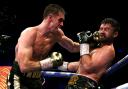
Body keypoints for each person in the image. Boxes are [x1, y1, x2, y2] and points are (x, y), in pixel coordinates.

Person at [7, 4, 80, 89]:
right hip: (19, 78)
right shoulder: (29, 33)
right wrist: (50, 63)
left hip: (36, 78)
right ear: (50, 17)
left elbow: (73, 47)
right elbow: (24, 66)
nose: (62, 24)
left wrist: (90, 44)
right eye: (60, 20)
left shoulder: (57, 34)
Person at [59, 18, 120, 89]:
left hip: (85, 85)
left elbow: (87, 66)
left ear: (115, 34)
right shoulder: (98, 48)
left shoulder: (108, 49)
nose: (102, 32)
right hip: (75, 83)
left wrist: (84, 43)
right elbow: (81, 65)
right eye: (101, 29)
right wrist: (60, 65)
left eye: (106, 29)